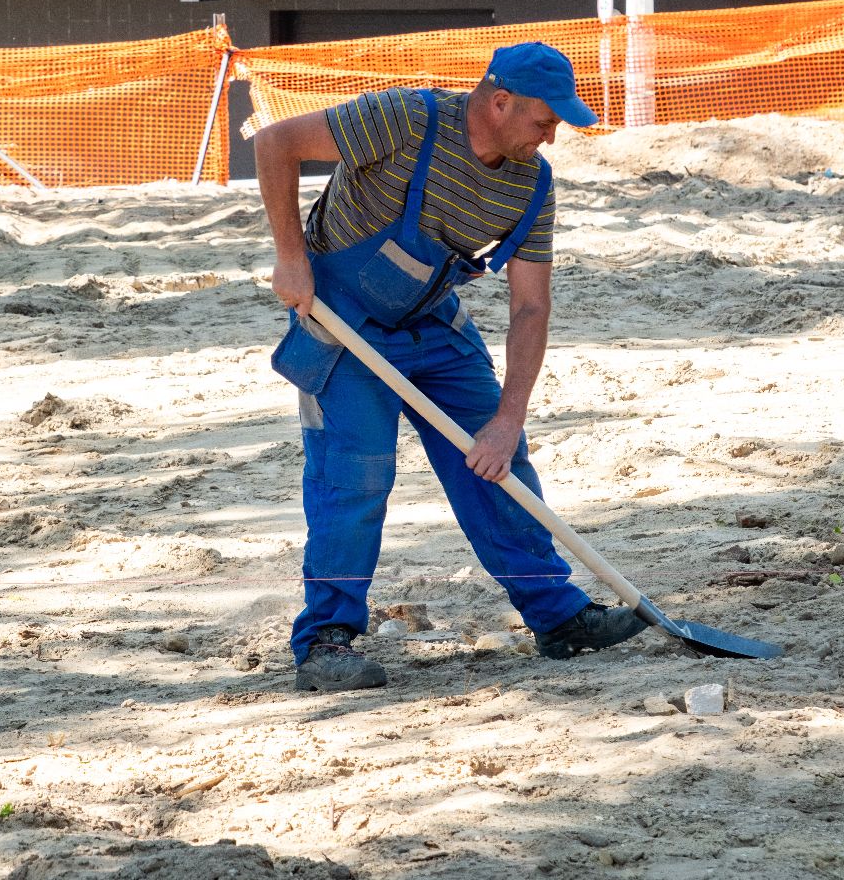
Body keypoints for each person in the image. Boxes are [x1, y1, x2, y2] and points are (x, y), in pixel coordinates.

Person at [255, 41, 647, 692]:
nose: (551, 138)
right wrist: (291, 258)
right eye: (544, 122)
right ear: (500, 103)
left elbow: (530, 308)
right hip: (340, 320)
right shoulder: (404, 120)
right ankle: (326, 640)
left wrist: (506, 419)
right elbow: (275, 143)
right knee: (355, 477)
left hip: (433, 323)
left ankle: (559, 618)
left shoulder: (532, 185)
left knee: (500, 462)